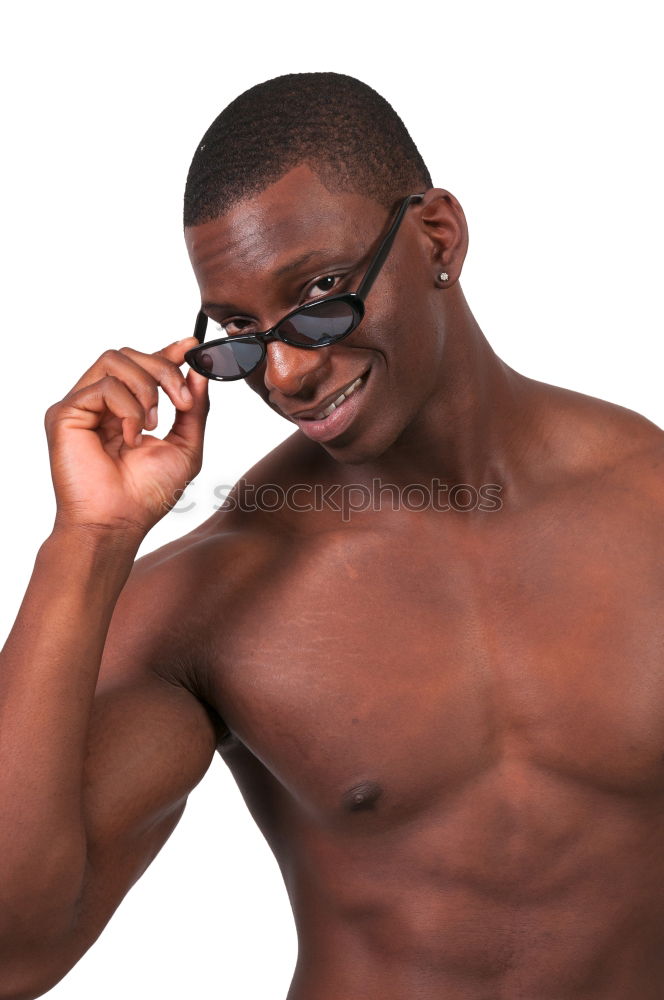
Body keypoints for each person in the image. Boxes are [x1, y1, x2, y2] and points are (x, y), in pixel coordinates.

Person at [1, 70, 663, 1000]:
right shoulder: (217, 592)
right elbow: (14, 951)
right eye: (238, 333)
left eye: (318, 294)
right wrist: (87, 542)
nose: (288, 372)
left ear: (438, 236)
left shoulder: (650, 504)